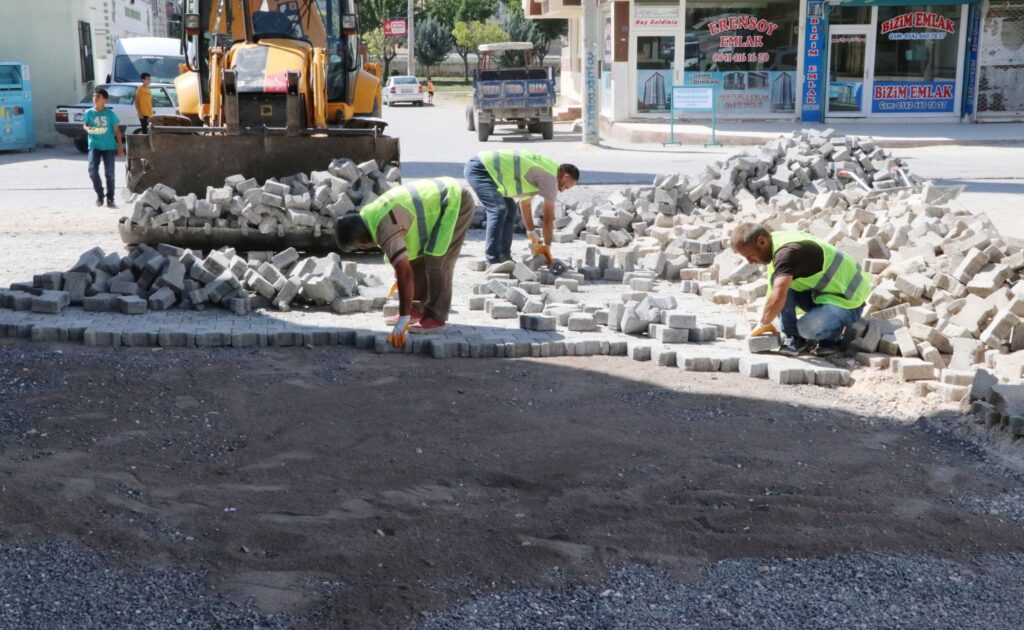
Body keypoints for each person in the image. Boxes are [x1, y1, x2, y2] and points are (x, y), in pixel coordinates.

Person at [334, 177, 476, 347]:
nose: (363, 248)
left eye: (359, 247)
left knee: (437, 259)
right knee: (414, 258)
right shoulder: (367, 217)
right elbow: (401, 259)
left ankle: (436, 316)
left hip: (454, 201)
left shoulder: (384, 225)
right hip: (436, 204)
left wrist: (402, 320)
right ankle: (417, 308)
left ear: (363, 241)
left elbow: (405, 274)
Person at [730, 222, 871, 356]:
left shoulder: (787, 253)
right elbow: (775, 291)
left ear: (761, 242)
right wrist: (766, 317)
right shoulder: (775, 242)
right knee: (781, 283)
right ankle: (794, 338)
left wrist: (763, 323)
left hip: (849, 301)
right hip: (825, 295)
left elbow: (778, 297)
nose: (750, 262)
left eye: (750, 256)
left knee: (806, 329)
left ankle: (832, 336)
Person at [464, 150, 579, 267]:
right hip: (481, 169)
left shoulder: (547, 170)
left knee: (510, 209)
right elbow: (548, 220)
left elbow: (525, 204)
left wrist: (532, 235)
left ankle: (504, 257)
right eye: (566, 187)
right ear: (565, 177)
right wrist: (547, 249)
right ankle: (492, 261)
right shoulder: (550, 179)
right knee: (498, 210)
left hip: (490, 173)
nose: (562, 190)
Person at [83, 87, 124, 208]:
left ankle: (110, 198)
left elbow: (117, 131)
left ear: (105, 100)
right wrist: (88, 129)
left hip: (108, 146)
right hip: (94, 146)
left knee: (109, 174)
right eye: (94, 96)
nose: (95, 98)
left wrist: (120, 147)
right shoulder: (89, 113)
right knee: (92, 170)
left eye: (98, 96)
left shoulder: (110, 114)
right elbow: (85, 125)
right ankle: (100, 194)